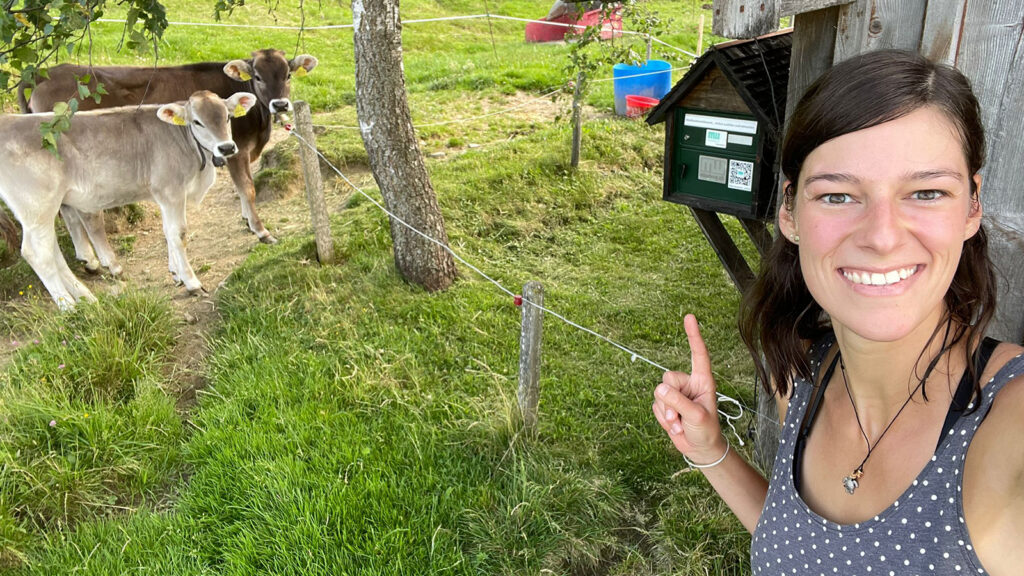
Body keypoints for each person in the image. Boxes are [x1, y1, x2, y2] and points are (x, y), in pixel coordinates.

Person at [651, 49, 1024, 575]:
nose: (882, 237)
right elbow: (804, 551)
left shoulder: (1010, 424)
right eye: (838, 196)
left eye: (926, 192)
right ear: (790, 211)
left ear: (972, 206)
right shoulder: (804, 374)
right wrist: (711, 450)